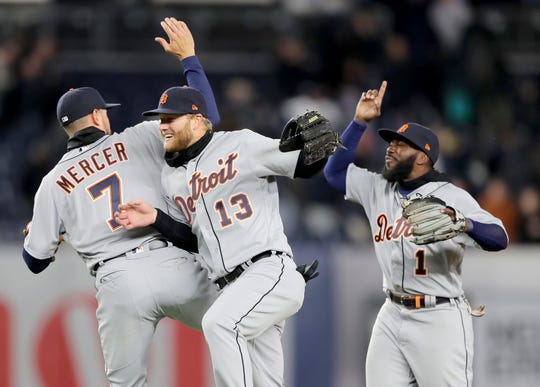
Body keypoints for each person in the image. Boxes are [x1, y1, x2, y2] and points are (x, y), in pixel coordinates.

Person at [22, 18, 221, 387]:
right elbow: (205, 119)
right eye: (105, 111)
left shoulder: (52, 184)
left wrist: (43, 231)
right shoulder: (139, 138)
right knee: (238, 325)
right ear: (98, 116)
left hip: (116, 282)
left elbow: (34, 261)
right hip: (170, 261)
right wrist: (189, 59)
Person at [113, 87, 330, 386]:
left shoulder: (241, 143)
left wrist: (318, 153)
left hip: (267, 269)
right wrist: (156, 219)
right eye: (160, 119)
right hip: (235, 288)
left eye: (170, 118)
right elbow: (196, 240)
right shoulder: (173, 177)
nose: (162, 125)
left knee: (220, 324)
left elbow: (301, 165)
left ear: (197, 120)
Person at [323, 80, 508, 386]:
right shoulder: (377, 188)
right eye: (390, 143)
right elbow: (334, 174)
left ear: (422, 157)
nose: (390, 149)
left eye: (400, 145)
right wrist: (357, 123)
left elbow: (500, 238)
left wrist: (465, 224)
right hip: (392, 312)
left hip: (439, 316)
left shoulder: (451, 196)